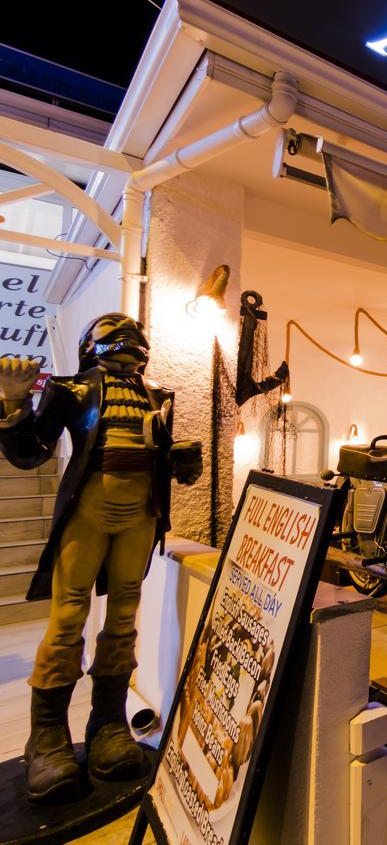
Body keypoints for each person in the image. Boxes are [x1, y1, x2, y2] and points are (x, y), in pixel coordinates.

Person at [0, 315, 202, 802]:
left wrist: (182, 463)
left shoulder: (160, 394)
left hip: (140, 515)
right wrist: (13, 403)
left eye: (132, 331)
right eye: (115, 329)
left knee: (124, 613)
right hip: (88, 511)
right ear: (93, 343)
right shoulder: (70, 390)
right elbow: (31, 454)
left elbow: (164, 455)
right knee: (69, 613)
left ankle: (108, 723)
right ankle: (47, 736)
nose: (127, 336)